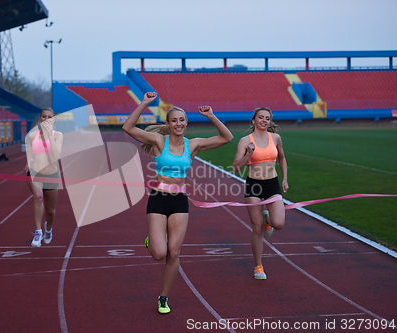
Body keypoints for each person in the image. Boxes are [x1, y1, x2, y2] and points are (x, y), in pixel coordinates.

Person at [122, 92, 233, 314]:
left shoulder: (193, 145)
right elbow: (128, 127)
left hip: (180, 201)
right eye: (174, 120)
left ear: (186, 122)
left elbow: (227, 137)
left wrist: (211, 116)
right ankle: (152, 242)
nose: (179, 123)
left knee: (174, 252)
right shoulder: (157, 141)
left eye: (182, 120)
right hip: (158, 199)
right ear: (168, 123)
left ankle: (163, 297)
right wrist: (144, 103)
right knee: (159, 254)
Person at [232, 107, 288, 280]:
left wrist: (285, 178)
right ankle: (258, 266)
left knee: (278, 223)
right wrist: (249, 154)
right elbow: (236, 168)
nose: (264, 120)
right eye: (261, 117)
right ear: (253, 120)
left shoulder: (276, 138)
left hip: (272, 183)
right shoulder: (244, 141)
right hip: (254, 185)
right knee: (256, 229)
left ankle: (268, 220)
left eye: (267, 118)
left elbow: (282, 158)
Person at [25, 108, 64, 247]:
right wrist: (28, 163)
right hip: (35, 172)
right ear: (40, 118)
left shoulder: (57, 135)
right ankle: (38, 232)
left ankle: (48, 228)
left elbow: (56, 154)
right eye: (43, 116)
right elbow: (29, 150)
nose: (46, 119)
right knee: (37, 196)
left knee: (50, 211)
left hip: (51, 174)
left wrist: (48, 135)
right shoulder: (32, 136)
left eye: (49, 117)